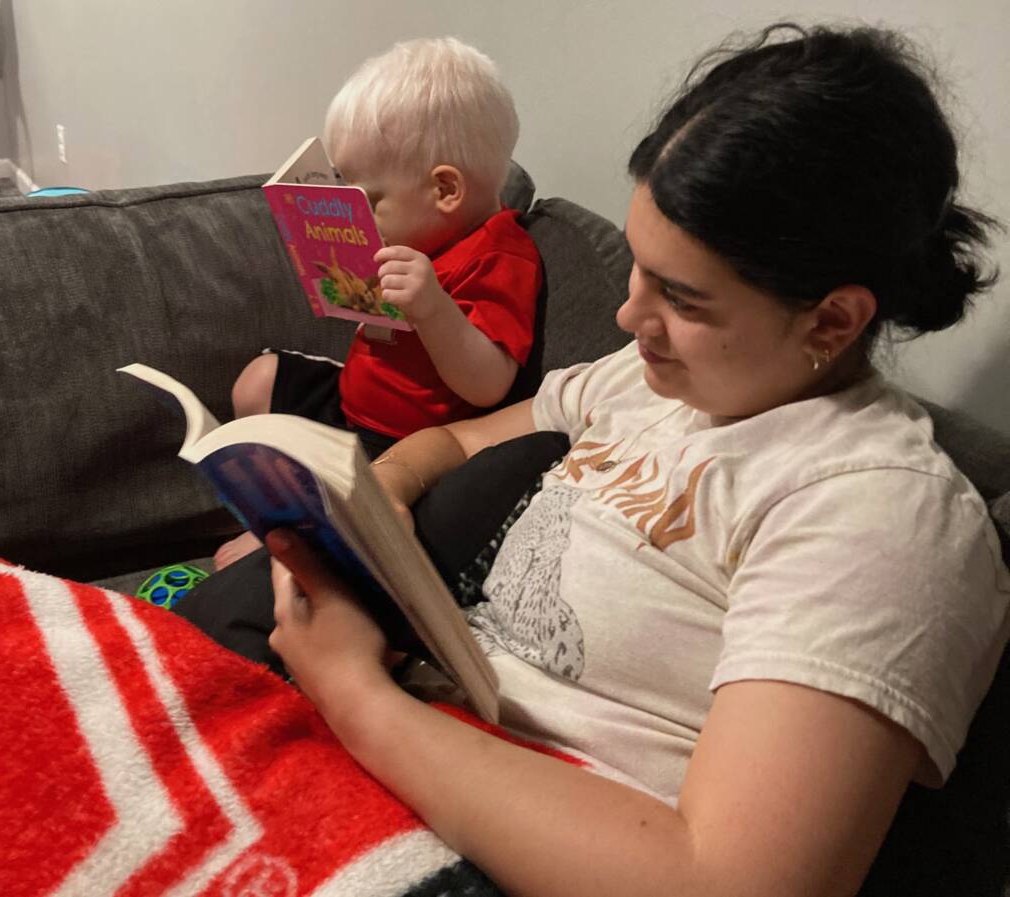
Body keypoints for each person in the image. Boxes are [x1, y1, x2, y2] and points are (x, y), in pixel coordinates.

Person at [221, 24, 1009, 897]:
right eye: (638, 269)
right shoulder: (645, 381)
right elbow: (456, 438)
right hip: (401, 735)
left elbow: (727, 881)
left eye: (680, 295)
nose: (631, 318)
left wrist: (358, 697)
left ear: (831, 320)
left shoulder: (878, 511)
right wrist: (385, 495)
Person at [216, 37, 543, 569]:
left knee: (346, 502)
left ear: (445, 190)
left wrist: (434, 309)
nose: (358, 216)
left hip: (403, 444)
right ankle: (269, 516)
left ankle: (282, 540)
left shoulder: (502, 256)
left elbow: (489, 385)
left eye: (365, 201)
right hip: (351, 406)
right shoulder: (411, 238)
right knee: (258, 379)